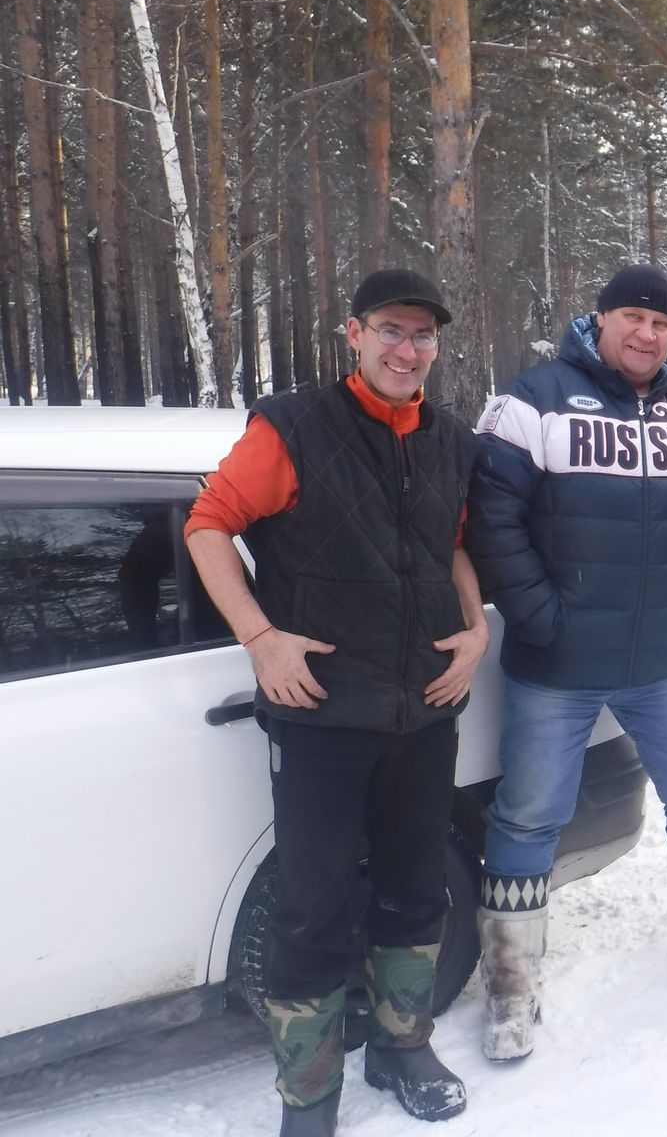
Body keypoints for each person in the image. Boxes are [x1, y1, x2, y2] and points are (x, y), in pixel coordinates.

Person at [186, 269, 485, 1135]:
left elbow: (451, 549)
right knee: (313, 908)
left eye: (422, 335)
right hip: (320, 713)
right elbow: (208, 526)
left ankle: (402, 1047)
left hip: (425, 710)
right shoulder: (294, 427)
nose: (407, 349)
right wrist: (260, 637)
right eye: (391, 329)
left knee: (415, 890)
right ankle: (310, 1096)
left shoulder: (450, 440)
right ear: (353, 334)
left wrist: (475, 631)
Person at [467, 264, 667, 1063]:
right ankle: (511, 980)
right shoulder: (533, 400)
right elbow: (492, 520)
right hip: (556, 667)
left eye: (662, 323)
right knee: (529, 815)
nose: (647, 334)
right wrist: (541, 616)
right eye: (633, 317)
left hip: (666, 662)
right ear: (600, 319)